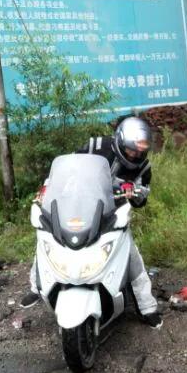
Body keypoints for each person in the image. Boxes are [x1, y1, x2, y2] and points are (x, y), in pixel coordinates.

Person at [20, 117, 163, 329]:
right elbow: (70, 167)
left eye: (141, 151)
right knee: (48, 241)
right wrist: (51, 185)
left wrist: (138, 193)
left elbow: (142, 199)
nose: (137, 155)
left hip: (113, 211)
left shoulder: (144, 167)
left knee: (131, 255)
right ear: (121, 142)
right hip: (79, 205)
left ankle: (147, 307)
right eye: (133, 150)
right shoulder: (97, 146)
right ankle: (35, 287)